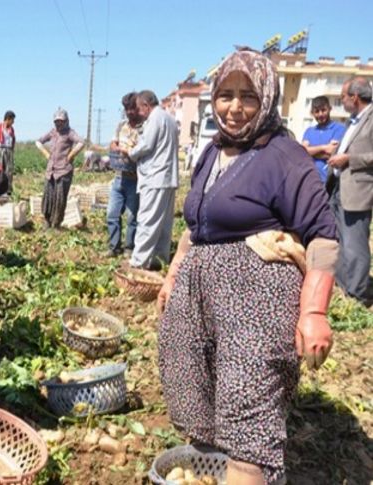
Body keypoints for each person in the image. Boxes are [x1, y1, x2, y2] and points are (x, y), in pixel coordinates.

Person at [157, 49, 337, 485]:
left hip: (256, 298)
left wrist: (314, 313)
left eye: (248, 97)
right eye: (226, 95)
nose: (234, 107)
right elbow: (195, 227)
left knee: (248, 399)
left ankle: (248, 467)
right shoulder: (211, 153)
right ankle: (215, 463)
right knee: (192, 380)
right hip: (201, 291)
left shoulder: (285, 155)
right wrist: (173, 275)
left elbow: (324, 238)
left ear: (267, 99)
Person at [117, 90, 179, 270]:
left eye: (138, 108)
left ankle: (138, 263)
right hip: (167, 177)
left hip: (155, 177)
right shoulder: (170, 119)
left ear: (146, 105)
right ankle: (159, 260)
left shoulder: (155, 119)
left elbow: (146, 145)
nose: (138, 112)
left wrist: (130, 152)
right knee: (163, 224)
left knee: (147, 221)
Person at [327, 77, 373, 306]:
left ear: (354, 97)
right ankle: (345, 287)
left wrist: (349, 159)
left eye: (343, 97)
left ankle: (358, 295)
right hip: (338, 188)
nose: (342, 101)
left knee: (355, 244)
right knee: (341, 241)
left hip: (358, 190)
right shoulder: (352, 121)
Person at [106, 92, 143, 257]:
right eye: (127, 109)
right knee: (112, 214)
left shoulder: (144, 128)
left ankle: (129, 247)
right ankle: (114, 247)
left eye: (132, 108)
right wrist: (116, 147)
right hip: (119, 176)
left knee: (132, 217)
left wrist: (130, 151)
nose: (129, 112)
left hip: (134, 179)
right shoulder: (121, 126)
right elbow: (113, 142)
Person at [35, 108, 85, 229]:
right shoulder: (52, 132)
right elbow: (38, 141)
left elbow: (81, 142)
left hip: (64, 170)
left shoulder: (70, 133)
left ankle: (56, 223)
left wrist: (71, 155)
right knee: (48, 195)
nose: (58, 123)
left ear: (66, 121)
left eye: (61, 121)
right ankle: (47, 221)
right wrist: (46, 153)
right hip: (51, 170)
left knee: (60, 198)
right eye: (57, 121)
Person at [301, 96, 346, 187]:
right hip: (310, 181)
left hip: (330, 182)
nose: (320, 114)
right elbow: (302, 152)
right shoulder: (309, 131)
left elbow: (332, 153)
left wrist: (310, 151)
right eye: (317, 111)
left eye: (323, 110)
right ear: (312, 113)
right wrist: (324, 147)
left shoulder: (339, 128)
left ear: (330, 109)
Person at [0, 110, 16, 194]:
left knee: (9, 171)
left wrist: (12, 149)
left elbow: (13, 139)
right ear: (8, 119)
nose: (13, 122)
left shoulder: (11, 129)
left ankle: (8, 190)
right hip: (0, 150)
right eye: (12, 120)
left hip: (8, 150)